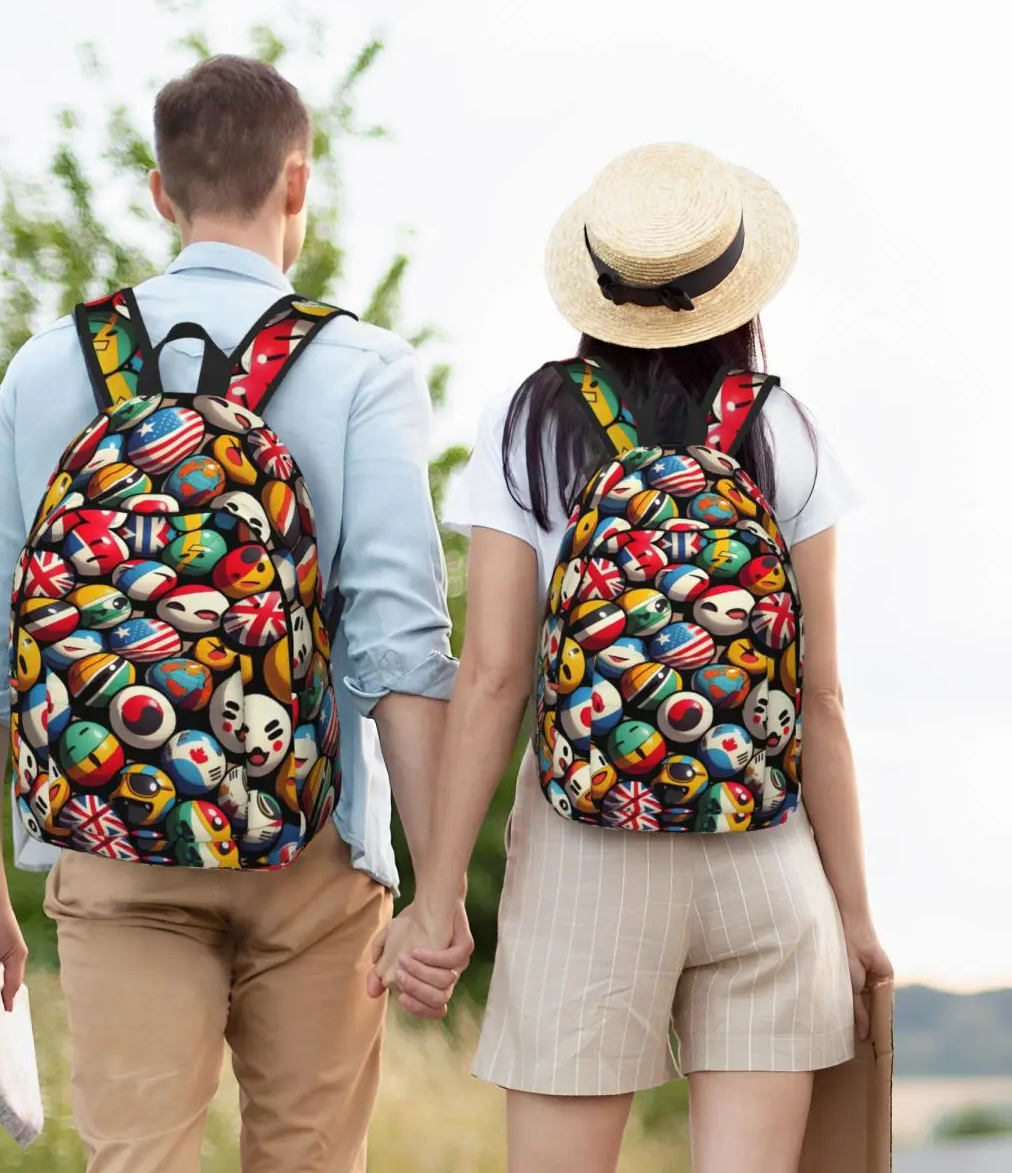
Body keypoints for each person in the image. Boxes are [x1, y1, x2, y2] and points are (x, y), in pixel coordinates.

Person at [0, 54, 473, 1173]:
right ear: (298, 185)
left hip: (112, 844)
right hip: (314, 849)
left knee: (137, 1160)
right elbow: (400, 651)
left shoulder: (49, 368)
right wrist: (439, 888)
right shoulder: (363, 367)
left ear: (161, 192)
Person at [371, 142, 893, 1173]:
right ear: (737, 288)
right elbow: (820, 696)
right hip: (765, 853)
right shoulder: (785, 428)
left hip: (586, 857)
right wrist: (855, 917)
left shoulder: (530, 423)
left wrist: (435, 901)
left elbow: (493, 679)